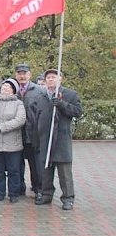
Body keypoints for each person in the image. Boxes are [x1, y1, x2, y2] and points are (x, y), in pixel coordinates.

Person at [33, 69, 82, 210]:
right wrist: (36, 139)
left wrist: (62, 104)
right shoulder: (41, 96)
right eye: (48, 77)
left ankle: (68, 198)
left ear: (60, 79)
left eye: (53, 77)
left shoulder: (70, 94)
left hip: (61, 139)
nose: (50, 79)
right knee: (46, 171)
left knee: (64, 172)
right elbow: (37, 119)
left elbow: (77, 111)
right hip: (45, 138)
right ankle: (47, 194)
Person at [14, 63, 44, 197]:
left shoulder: (38, 91)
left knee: (35, 164)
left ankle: (38, 188)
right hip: (16, 134)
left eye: (24, 73)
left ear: (30, 75)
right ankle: (19, 187)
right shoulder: (12, 90)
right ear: (16, 75)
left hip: (33, 134)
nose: (22, 76)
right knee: (17, 164)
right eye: (19, 73)